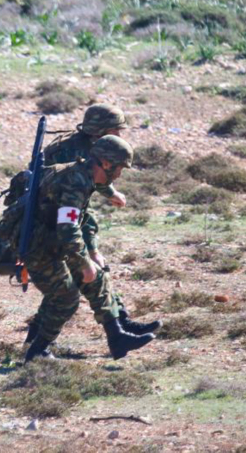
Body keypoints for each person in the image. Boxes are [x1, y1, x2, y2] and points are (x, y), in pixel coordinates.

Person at [22, 135, 154, 362]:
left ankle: (117, 337)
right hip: (37, 246)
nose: (120, 174)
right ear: (105, 163)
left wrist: (112, 195)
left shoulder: (84, 171)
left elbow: (100, 185)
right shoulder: (76, 183)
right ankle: (37, 351)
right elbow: (68, 229)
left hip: (50, 240)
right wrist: (84, 263)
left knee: (97, 277)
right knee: (66, 296)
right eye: (119, 168)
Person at [40, 104, 159, 339]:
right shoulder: (71, 151)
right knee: (78, 277)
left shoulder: (91, 146)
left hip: (63, 218)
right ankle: (117, 327)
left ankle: (119, 324)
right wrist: (90, 250)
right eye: (116, 130)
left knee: (83, 276)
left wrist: (111, 193)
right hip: (49, 222)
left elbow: (95, 180)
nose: (120, 136)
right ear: (102, 130)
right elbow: (74, 207)